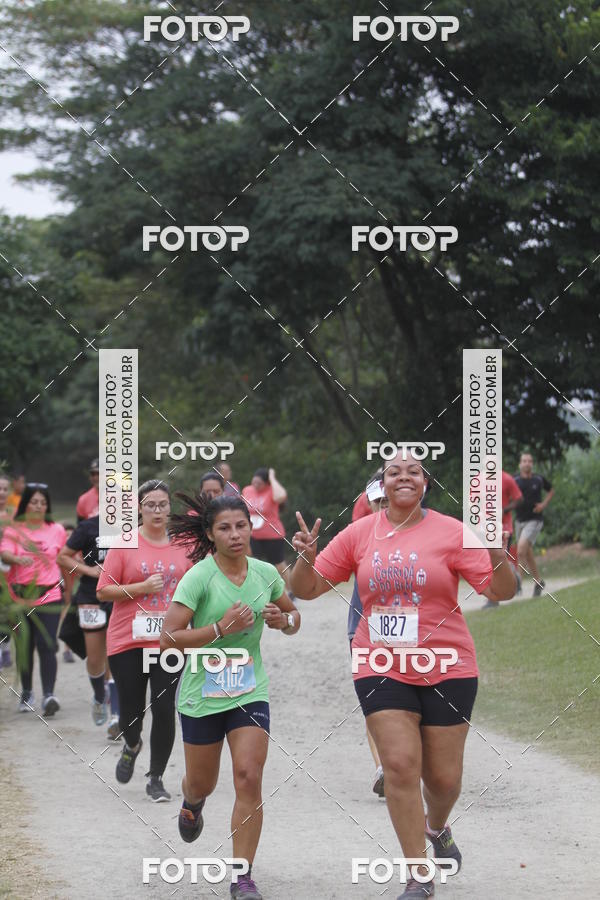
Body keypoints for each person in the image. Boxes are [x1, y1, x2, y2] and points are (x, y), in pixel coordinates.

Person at [290, 449, 516, 899]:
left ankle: (437, 826)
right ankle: (418, 874)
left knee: (444, 780)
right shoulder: (359, 534)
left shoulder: (453, 532)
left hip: (447, 665)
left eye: (414, 470)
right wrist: (306, 558)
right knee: (398, 765)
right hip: (381, 663)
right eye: (394, 472)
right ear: (383, 485)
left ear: (425, 483)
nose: (404, 477)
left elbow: (502, 590)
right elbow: (307, 589)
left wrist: (495, 550)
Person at [162, 494, 300, 900]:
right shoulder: (198, 578)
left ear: (250, 528)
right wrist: (219, 629)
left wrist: (282, 620)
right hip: (202, 695)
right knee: (203, 782)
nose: (234, 534)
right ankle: (191, 801)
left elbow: (294, 617)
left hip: (249, 691)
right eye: (224, 527)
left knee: (249, 776)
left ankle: (242, 877)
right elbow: (168, 639)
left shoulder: (264, 573)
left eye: (241, 525)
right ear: (210, 533)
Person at [96, 479, 192, 801]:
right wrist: (140, 589)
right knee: (131, 714)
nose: (156, 510)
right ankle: (132, 743)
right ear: (138, 508)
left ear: (169, 508)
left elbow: (197, 587)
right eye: (150, 504)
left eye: (162, 504)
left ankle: (157, 778)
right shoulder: (125, 543)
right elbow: (103, 590)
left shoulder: (183, 546)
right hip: (128, 641)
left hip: (169, 641)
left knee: (164, 709)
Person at [0, 483, 67, 715]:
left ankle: (49, 695)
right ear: (25, 503)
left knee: (48, 645)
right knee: (25, 646)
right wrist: (17, 560)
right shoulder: (14, 529)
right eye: (34, 501)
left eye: (43, 502)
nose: (39, 506)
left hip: (49, 595)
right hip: (19, 598)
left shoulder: (56, 529)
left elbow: (65, 556)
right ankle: (27, 692)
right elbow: (5, 552)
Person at [58, 514, 120, 738]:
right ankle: (98, 696)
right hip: (90, 596)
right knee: (95, 659)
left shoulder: (134, 527)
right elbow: (63, 557)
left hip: (120, 597)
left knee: (114, 656)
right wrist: (90, 570)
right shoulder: (88, 527)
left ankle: (117, 716)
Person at [348, 470, 387, 797]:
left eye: (387, 500)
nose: (383, 507)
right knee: (374, 697)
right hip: (363, 619)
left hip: (415, 629)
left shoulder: (426, 532)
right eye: (377, 502)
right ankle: (383, 767)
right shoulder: (360, 534)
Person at [514, 452, 554, 597]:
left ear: (532, 464)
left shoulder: (538, 479)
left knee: (520, 551)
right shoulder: (515, 480)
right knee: (527, 553)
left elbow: (551, 490)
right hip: (519, 520)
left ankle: (517, 584)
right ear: (520, 464)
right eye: (524, 461)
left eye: (530, 461)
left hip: (535, 520)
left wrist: (543, 505)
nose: (527, 463)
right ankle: (538, 581)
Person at [242, 467, 289, 585]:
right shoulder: (247, 490)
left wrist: (272, 477)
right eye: (254, 482)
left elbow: (280, 497)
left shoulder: (272, 490)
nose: (256, 485)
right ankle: (256, 590)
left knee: (279, 564)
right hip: (252, 535)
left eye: (259, 483)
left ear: (266, 483)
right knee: (252, 563)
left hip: (272, 534)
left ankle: (292, 590)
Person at [483, 470, 523, 608]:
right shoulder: (478, 480)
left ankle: (493, 600)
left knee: (496, 562)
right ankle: (513, 575)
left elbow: (519, 499)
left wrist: (504, 510)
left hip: (504, 527)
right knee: (490, 562)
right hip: (485, 527)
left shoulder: (506, 479)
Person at [0, 474, 15, 668]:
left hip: (11, 568)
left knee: (9, 612)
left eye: (5, 489)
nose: (2, 492)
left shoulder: (16, 515)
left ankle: (6, 646)